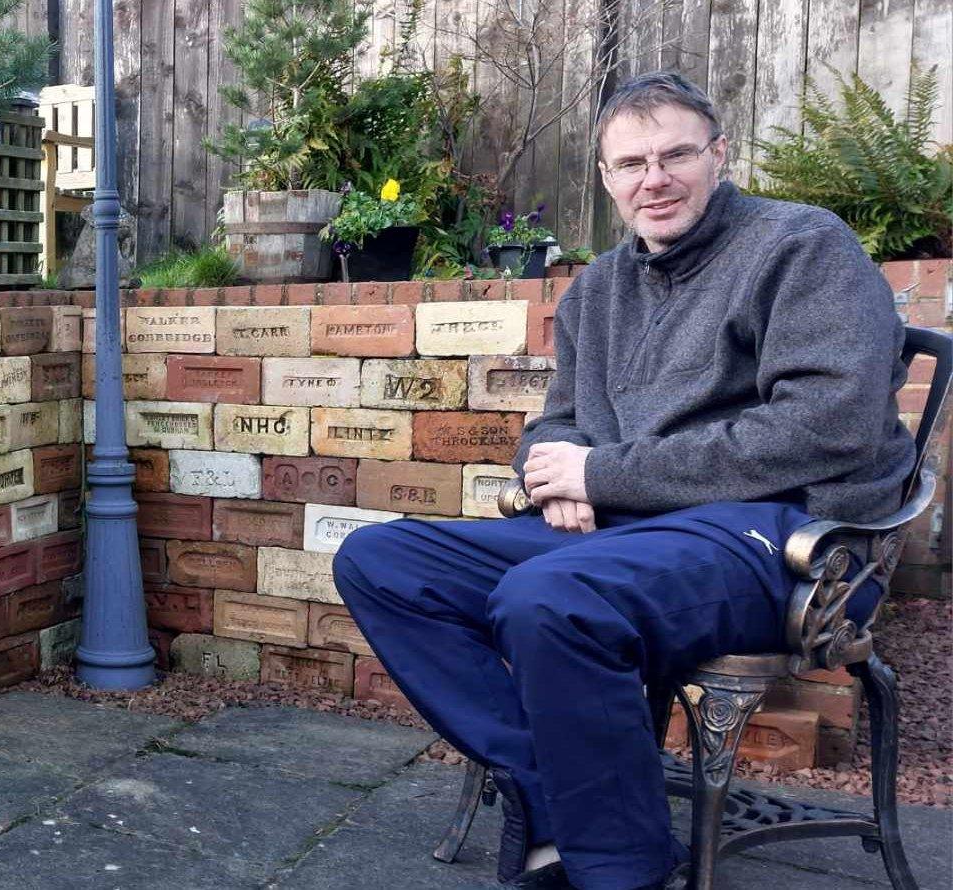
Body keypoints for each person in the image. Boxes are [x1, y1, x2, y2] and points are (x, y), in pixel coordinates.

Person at [331, 71, 913, 890]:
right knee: (380, 562)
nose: (655, 179)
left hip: (780, 537)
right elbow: (557, 421)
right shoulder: (600, 285)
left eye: (676, 154)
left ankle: (621, 869)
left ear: (719, 154)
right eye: (631, 163)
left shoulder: (801, 245)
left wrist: (603, 472)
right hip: (628, 531)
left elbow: (829, 425)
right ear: (606, 179)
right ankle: (554, 789)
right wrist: (559, 470)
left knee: (552, 598)